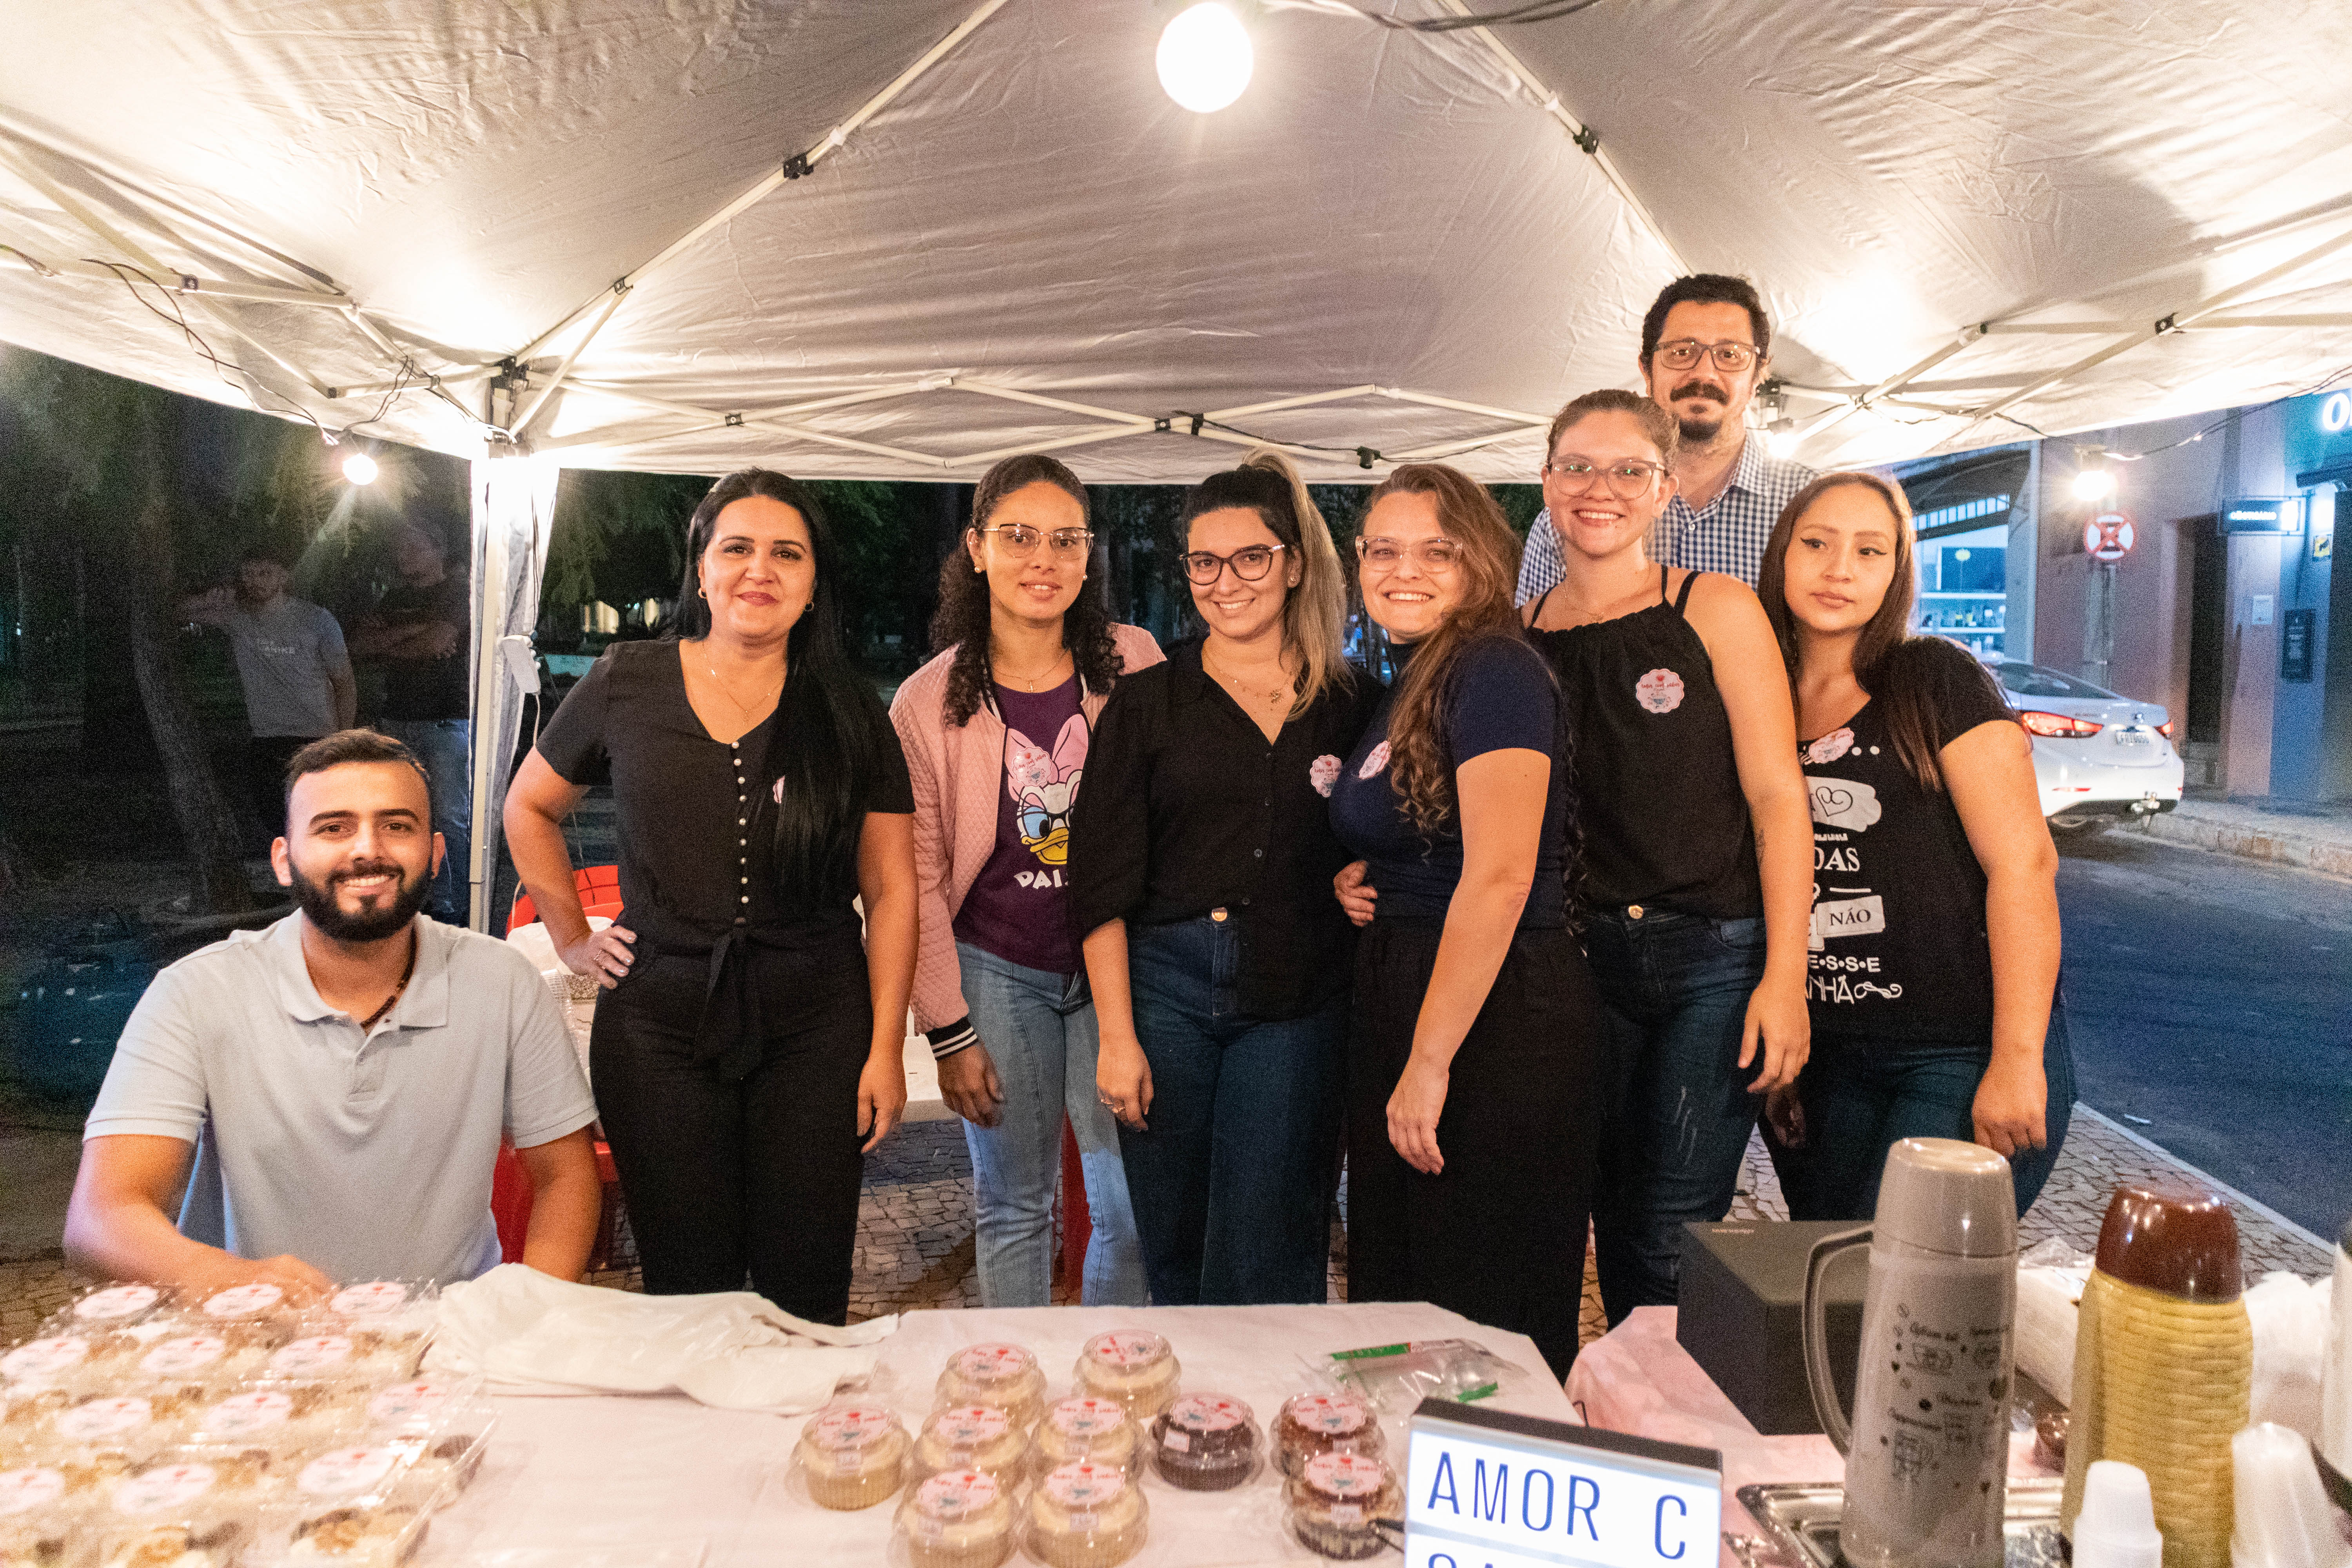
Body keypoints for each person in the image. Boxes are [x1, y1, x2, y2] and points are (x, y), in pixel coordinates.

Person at [504, 469, 915, 1324]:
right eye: (737, 548)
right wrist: (574, 935)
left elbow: (892, 887)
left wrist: (884, 1051)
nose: (758, 569)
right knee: (686, 1290)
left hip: (816, 1022)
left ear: (812, 582)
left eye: (786, 553)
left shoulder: (849, 707)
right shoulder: (629, 677)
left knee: (805, 1287)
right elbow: (528, 806)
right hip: (658, 1025)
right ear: (701, 569)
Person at [67, 730, 601, 1295]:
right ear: (283, 859)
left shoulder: (502, 981)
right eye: (332, 828)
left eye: (397, 826)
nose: (367, 849)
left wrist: (531, 1311)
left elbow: (567, 1177)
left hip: (448, 1336)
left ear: (437, 853)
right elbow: (101, 1216)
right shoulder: (197, 992)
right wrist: (231, 1282)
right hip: (252, 1338)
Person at [1519, 389, 1813, 1326]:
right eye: (1577, 466)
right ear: (1546, 483)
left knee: (1671, 1228)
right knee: (1590, 1207)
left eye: (1627, 470)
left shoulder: (1714, 608)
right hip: (1573, 960)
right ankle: (1604, 1416)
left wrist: (1784, 978)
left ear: (1664, 489)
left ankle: (1671, 1446)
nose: (1598, 488)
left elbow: (1778, 798)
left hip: (1709, 960)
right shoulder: (1513, 635)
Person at [1073, 452, 1379, 1306]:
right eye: (1204, 562)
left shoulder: (1351, 701)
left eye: (1251, 557)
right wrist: (1117, 1037)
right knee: (1172, 1244)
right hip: (1164, 994)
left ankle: (1276, 1424)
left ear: (1292, 563)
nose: (1226, 581)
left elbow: (1396, 823)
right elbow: (1100, 884)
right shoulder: (1148, 704)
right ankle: (1191, 1429)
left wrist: (1365, 867)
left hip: (1297, 996)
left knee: (1273, 1247)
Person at [1327, 462, 1604, 1378]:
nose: (1403, 570)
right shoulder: (1414, 672)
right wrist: (1369, 872)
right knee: (1407, 1289)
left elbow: (1500, 875)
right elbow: (1428, 828)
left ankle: (1493, 1496)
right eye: (1383, 550)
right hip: (1417, 985)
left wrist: (1430, 1058)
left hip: (1495, 1015)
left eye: (1434, 552)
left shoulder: (1495, 669)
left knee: (1481, 1303)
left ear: (1480, 561)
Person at [1757, 472, 2074, 1218]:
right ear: (1782, 554)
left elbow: (2025, 865)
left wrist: (2018, 1058)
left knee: (1902, 1286)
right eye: (1817, 543)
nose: (1840, 569)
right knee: (1829, 1286)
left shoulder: (1934, 677)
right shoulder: (1757, 693)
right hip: (1825, 1056)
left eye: (1871, 551)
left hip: (1954, 1051)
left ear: (1898, 573)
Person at [888, 455, 1158, 1309]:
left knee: (1127, 1206)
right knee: (1014, 1203)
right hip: (999, 969)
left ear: (1088, 557)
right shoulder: (927, 702)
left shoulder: (1136, 663)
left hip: (1121, 973)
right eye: (1018, 536)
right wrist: (948, 1030)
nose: (1043, 559)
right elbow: (919, 880)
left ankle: (1112, 1382)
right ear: (976, 549)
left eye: (1065, 539)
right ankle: (1013, 1390)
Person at [1518, 275, 1818, 600]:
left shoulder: (1810, 504)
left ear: (1758, 375)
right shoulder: (1577, 513)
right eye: (1680, 352)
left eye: (1730, 355)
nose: (1704, 373)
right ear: (1647, 370)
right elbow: (1532, 642)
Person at [183, 550, 357, 846]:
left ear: (283, 576)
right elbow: (179, 611)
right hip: (267, 735)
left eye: (265, 573)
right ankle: (296, 886)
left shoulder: (315, 620)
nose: (256, 581)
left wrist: (342, 741)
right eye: (249, 573)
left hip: (315, 734)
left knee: (320, 820)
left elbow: (345, 683)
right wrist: (208, 598)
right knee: (275, 820)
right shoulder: (238, 618)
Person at [352, 524, 472, 924]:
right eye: (400, 547)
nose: (404, 554)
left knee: (450, 815)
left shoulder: (460, 593)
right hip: (396, 719)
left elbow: (437, 643)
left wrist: (396, 641)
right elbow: (360, 646)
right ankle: (414, 895)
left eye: (414, 546)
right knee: (401, 811)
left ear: (439, 550)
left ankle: (455, 904)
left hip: (446, 721)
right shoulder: (395, 597)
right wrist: (418, 632)